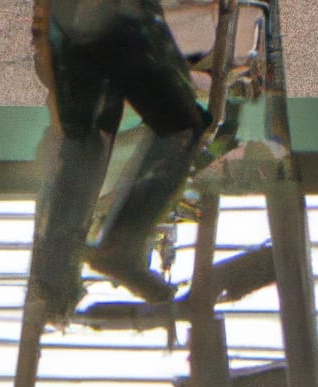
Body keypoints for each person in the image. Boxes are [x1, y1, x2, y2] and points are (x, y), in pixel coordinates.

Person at [28, 0, 209, 323]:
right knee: (182, 126)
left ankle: (53, 287)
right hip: (115, 17)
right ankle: (119, 247)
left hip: (69, 22)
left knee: (85, 145)